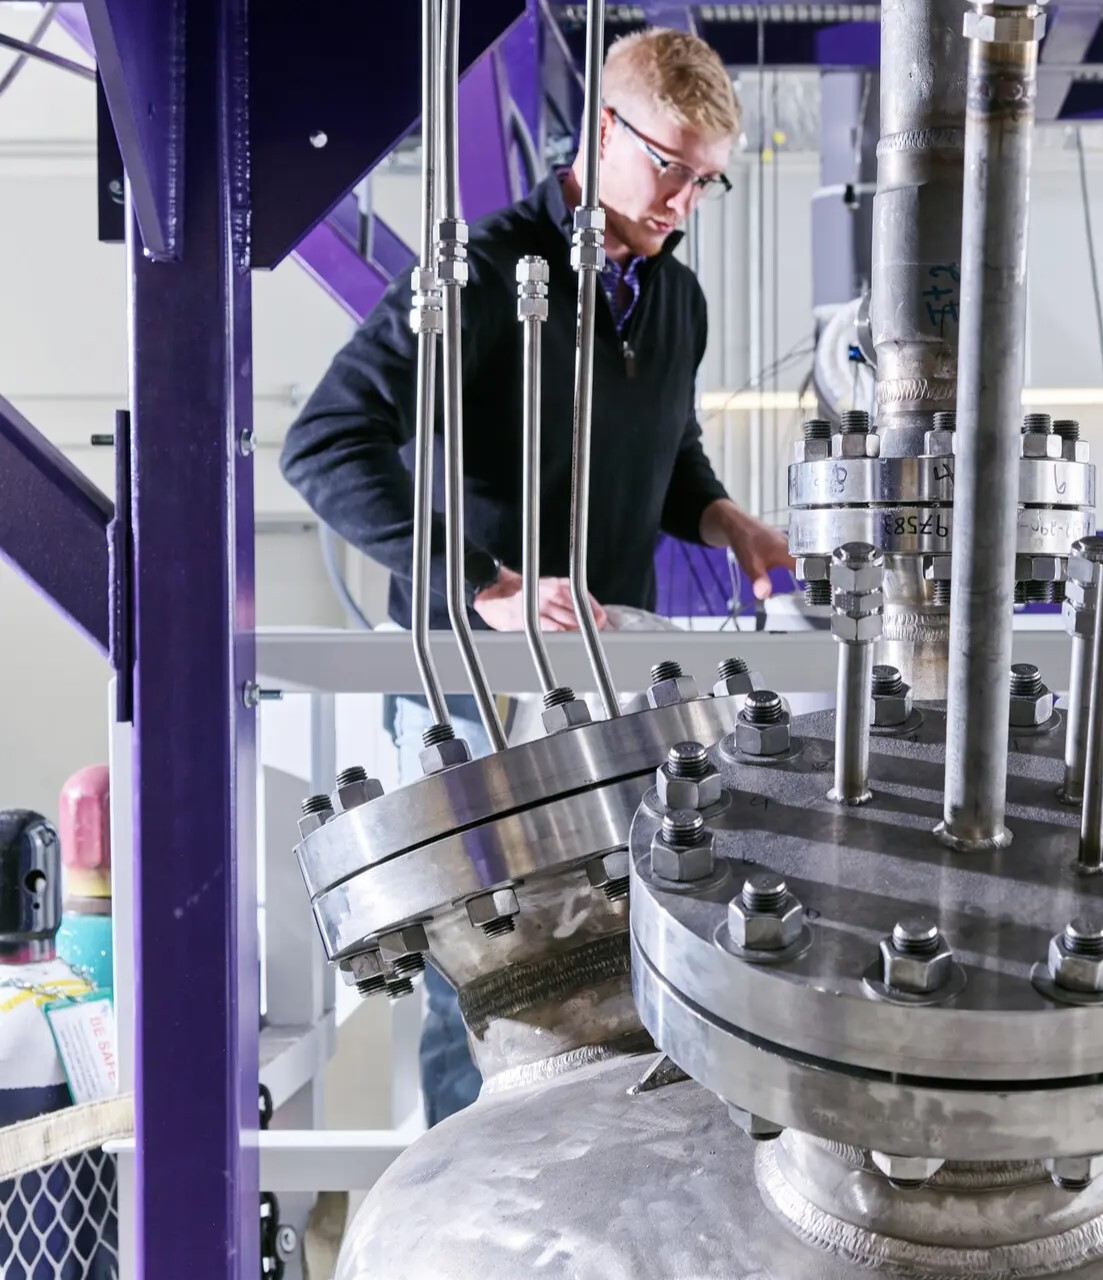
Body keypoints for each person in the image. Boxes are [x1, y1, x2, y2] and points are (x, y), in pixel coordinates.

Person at [280, 28, 792, 1125]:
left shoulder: (673, 300)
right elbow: (324, 442)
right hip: (473, 673)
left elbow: (663, 451)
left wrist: (723, 515)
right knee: (494, 960)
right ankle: (476, 1191)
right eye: (668, 167)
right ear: (603, 130)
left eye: (707, 181)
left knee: (617, 940)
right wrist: (482, 581)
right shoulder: (477, 267)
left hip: (592, 680)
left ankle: (598, 1184)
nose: (683, 202)